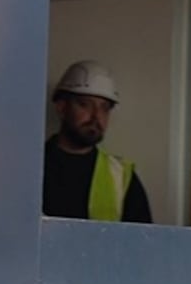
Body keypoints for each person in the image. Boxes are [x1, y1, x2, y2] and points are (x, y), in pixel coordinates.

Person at [42, 60, 153, 223]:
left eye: (104, 108)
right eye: (85, 104)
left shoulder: (121, 177)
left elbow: (142, 243)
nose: (96, 117)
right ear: (62, 107)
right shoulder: (28, 167)